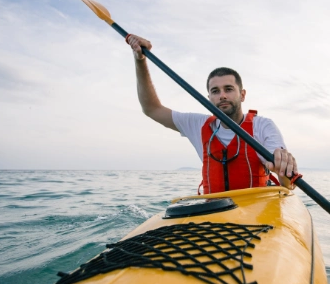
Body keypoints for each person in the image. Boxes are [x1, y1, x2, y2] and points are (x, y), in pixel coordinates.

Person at [127, 34, 298, 194]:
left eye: (228, 89)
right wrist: (140, 60)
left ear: (242, 95)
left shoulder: (263, 126)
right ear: (209, 98)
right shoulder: (198, 124)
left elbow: (287, 185)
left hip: (257, 210)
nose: (222, 95)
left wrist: (283, 168)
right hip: (214, 210)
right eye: (215, 91)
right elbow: (151, 109)